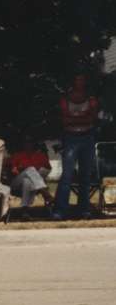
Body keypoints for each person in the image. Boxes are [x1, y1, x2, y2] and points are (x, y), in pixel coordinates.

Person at [52, 73, 100, 219]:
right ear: (73, 82)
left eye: (82, 79)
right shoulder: (65, 99)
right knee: (67, 175)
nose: (80, 82)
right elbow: (65, 121)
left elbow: (92, 118)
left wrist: (75, 118)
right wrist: (83, 117)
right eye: (77, 79)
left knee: (85, 175)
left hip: (87, 138)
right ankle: (60, 210)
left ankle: (84, 209)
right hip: (70, 137)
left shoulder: (91, 99)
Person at [8, 137, 53, 212]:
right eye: (26, 142)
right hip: (17, 182)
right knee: (30, 170)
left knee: (27, 181)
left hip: (33, 183)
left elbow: (47, 169)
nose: (28, 144)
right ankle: (46, 193)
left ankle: (25, 209)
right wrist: (21, 169)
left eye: (30, 142)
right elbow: (13, 170)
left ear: (34, 144)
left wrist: (38, 172)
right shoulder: (18, 155)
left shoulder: (41, 156)